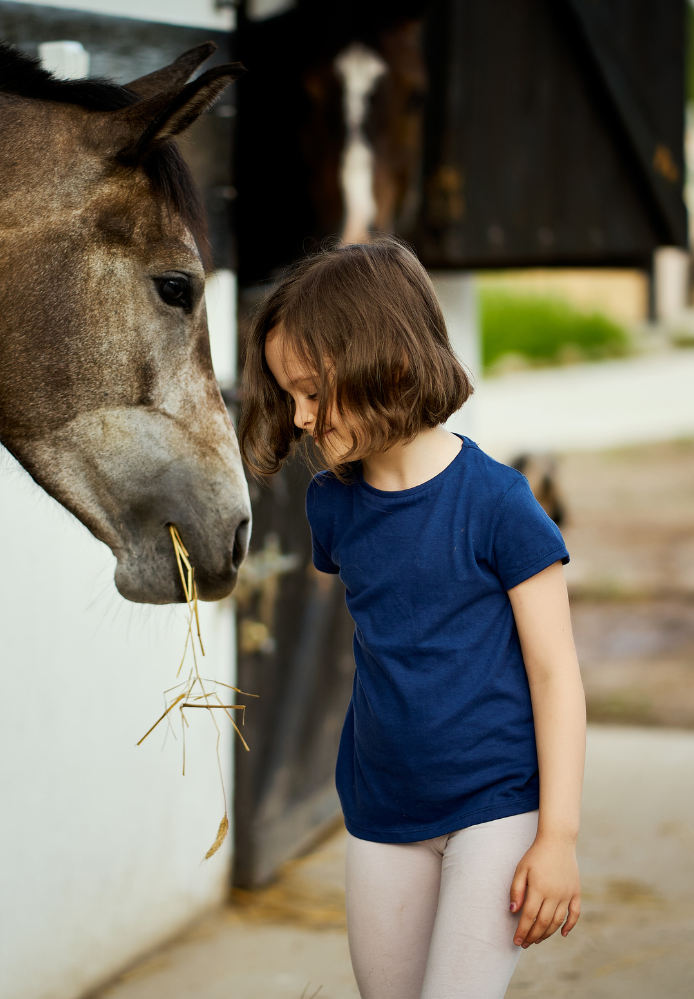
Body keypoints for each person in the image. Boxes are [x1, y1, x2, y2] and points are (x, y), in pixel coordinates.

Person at [238, 238, 586, 999]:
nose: (298, 417)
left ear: (388, 366)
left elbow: (557, 675)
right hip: (380, 807)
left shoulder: (499, 504)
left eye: (310, 391)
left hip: (495, 806)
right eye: (286, 395)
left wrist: (557, 837)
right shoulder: (331, 504)